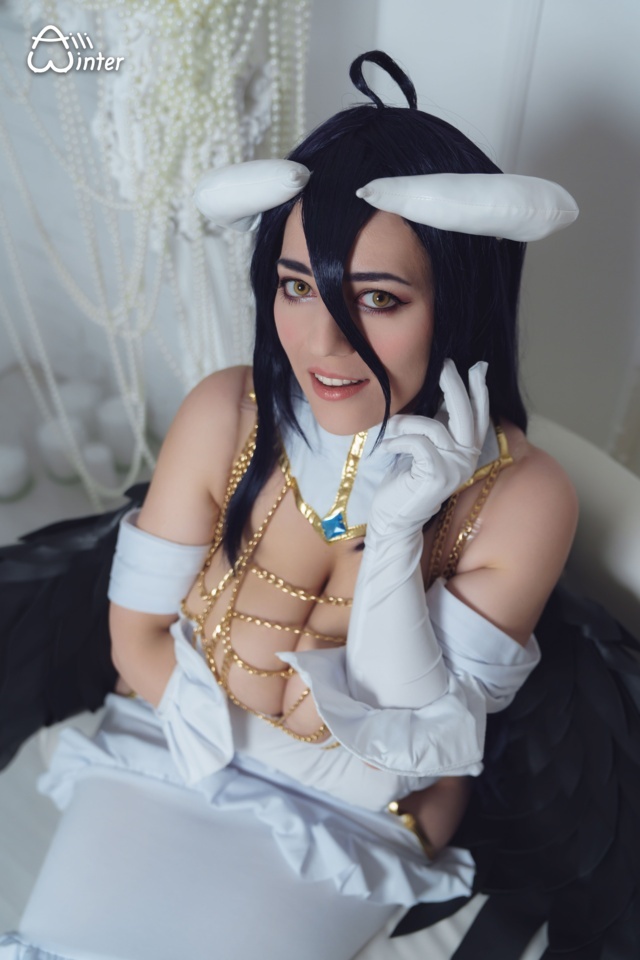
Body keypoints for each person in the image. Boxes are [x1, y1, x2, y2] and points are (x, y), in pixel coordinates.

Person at [0, 51, 579, 960]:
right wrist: (215, 743)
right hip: (172, 743)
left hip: (358, 817)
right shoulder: (226, 413)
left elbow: (406, 746)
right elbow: (135, 636)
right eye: (298, 285)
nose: (322, 342)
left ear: (459, 302)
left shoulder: (522, 495)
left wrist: (399, 532)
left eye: (379, 299)